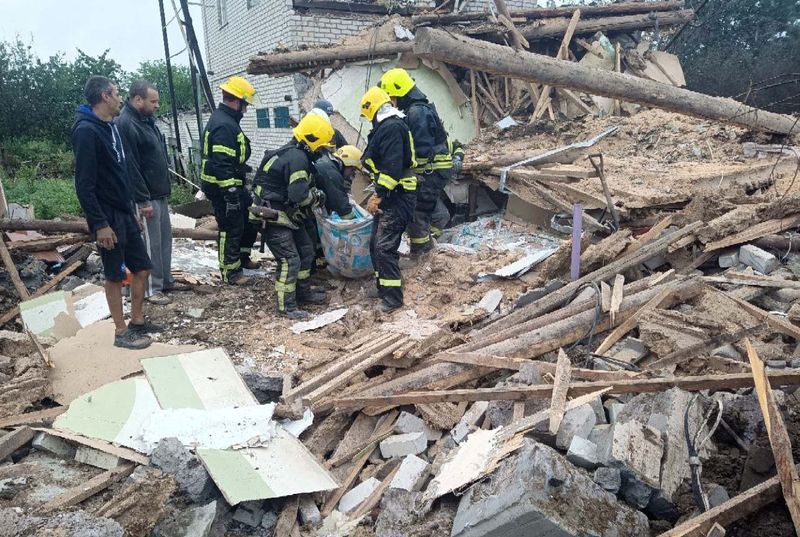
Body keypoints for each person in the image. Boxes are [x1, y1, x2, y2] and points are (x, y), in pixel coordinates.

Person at [72, 76, 157, 349]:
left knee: (142, 268)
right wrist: (99, 224)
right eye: (117, 94)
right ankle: (121, 333)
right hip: (107, 217)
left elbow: (121, 173)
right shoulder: (86, 131)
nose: (121, 98)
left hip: (124, 212)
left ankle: (138, 321)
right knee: (114, 275)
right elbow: (84, 185)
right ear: (105, 96)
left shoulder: (110, 127)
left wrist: (132, 209)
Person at [250, 114, 333, 319]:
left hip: (287, 216)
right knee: (290, 260)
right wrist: (317, 196)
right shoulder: (297, 158)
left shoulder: (293, 153)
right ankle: (285, 306)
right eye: (321, 147)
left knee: (306, 252)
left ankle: (303, 294)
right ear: (311, 141)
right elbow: (299, 195)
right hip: (274, 217)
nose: (321, 152)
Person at [379, 68, 463, 255]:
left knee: (417, 212)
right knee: (423, 210)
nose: (390, 102)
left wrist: (405, 172)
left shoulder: (417, 112)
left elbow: (420, 151)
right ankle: (429, 243)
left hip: (431, 171)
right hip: (433, 170)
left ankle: (421, 253)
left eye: (390, 97)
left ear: (399, 93)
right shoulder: (416, 109)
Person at [117, 80, 180, 305]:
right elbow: (131, 166)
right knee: (150, 244)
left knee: (164, 240)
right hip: (145, 196)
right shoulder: (126, 124)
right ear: (137, 100)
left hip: (158, 192)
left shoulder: (146, 121)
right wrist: (142, 199)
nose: (156, 106)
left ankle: (164, 280)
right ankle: (152, 289)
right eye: (153, 101)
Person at [359, 87, 417, 313]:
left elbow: (392, 170)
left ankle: (393, 298)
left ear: (373, 112)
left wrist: (378, 195)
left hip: (398, 196)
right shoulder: (387, 127)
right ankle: (383, 287)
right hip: (391, 195)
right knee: (375, 243)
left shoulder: (392, 128)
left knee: (384, 247)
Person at [199, 76, 259, 285]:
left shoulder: (227, 120)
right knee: (230, 227)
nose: (246, 110)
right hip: (223, 187)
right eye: (245, 105)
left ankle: (242, 259)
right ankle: (231, 272)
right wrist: (230, 191)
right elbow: (221, 162)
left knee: (248, 221)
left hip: (232, 182)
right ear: (236, 100)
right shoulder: (224, 125)